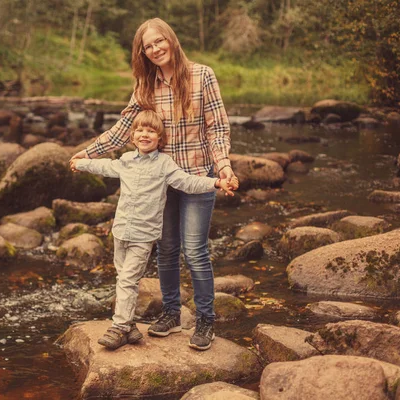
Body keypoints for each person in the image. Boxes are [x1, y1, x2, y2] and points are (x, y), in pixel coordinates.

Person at [70, 18, 237, 351]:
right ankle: (172, 313)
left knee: (195, 251)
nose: (156, 48)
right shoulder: (145, 85)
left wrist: (224, 167)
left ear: (171, 40)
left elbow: (216, 128)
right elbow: (122, 130)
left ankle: (205, 320)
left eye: (160, 41)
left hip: (196, 174)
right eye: (148, 46)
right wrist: (86, 153)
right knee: (166, 249)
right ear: (142, 53)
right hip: (159, 183)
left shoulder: (202, 76)